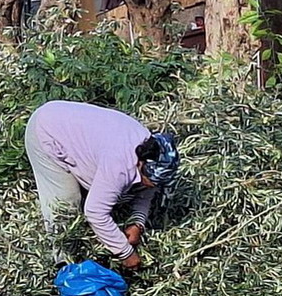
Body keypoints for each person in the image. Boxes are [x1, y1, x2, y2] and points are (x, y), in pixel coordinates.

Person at [24, 100, 179, 269]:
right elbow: (95, 212)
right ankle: (62, 265)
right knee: (65, 202)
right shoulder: (119, 165)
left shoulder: (153, 151)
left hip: (75, 131)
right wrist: (125, 253)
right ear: (141, 165)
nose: (152, 186)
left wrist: (137, 224)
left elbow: (146, 192)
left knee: (111, 194)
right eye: (151, 181)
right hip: (48, 131)